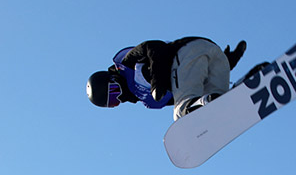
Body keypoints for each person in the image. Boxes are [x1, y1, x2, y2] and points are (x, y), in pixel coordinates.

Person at [87, 38, 246, 121]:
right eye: (114, 102)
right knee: (216, 97)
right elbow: (191, 80)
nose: (120, 99)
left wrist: (157, 80)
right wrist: (227, 61)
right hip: (211, 55)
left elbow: (154, 47)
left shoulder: (128, 64)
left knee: (182, 114)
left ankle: (196, 107)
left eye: (115, 93)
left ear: (113, 78)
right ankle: (248, 83)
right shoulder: (148, 99)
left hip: (186, 52)